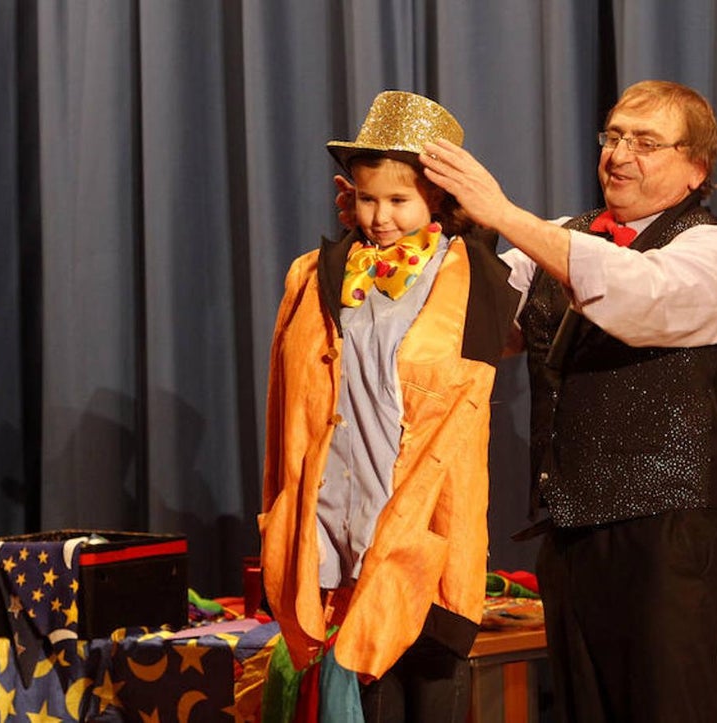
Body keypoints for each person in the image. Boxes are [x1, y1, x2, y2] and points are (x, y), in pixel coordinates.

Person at [414, 80, 717, 722]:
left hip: (666, 532)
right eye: (613, 136)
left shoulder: (716, 253)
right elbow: (477, 331)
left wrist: (503, 213)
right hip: (572, 533)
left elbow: (639, 298)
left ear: (696, 168)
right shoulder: (557, 238)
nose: (620, 153)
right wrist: (440, 230)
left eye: (646, 141)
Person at [260, 90, 519, 722]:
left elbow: (462, 411)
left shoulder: (471, 278)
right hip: (339, 523)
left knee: (429, 690)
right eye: (369, 197)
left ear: (436, 200)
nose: (381, 216)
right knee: (365, 695)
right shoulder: (314, 276)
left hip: (420, 526)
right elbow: (284, 406)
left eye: (399, 200)